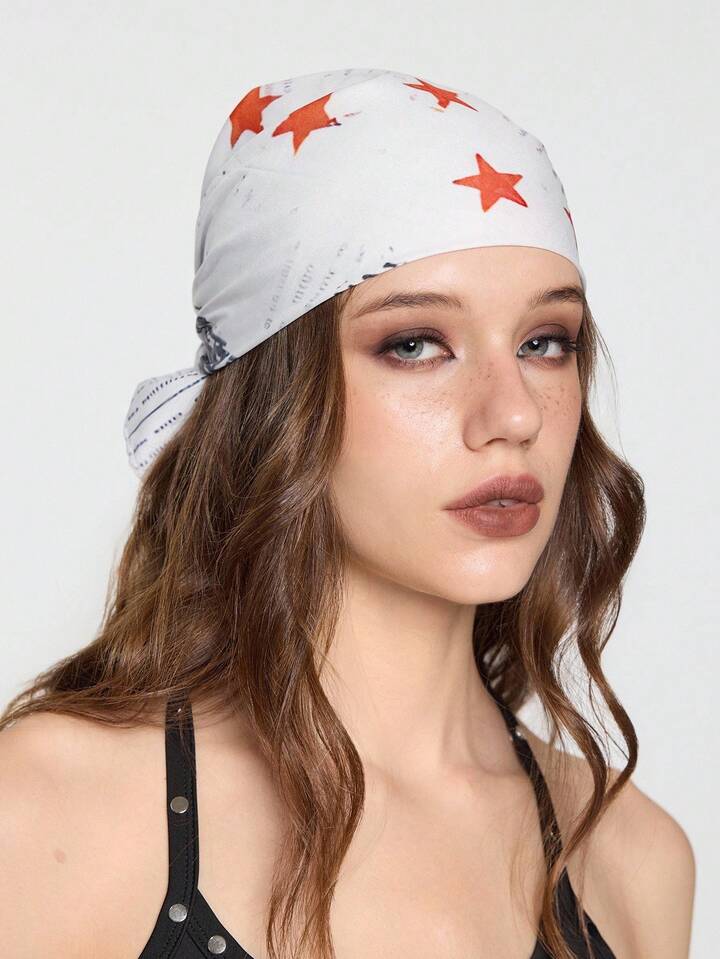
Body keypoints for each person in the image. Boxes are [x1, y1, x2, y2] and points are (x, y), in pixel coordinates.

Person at [0, 67, 695, 959]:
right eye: (415, 344)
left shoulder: (632, 858)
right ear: (275, 398)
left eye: (544, 342)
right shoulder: (50, 812)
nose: (515, 414)